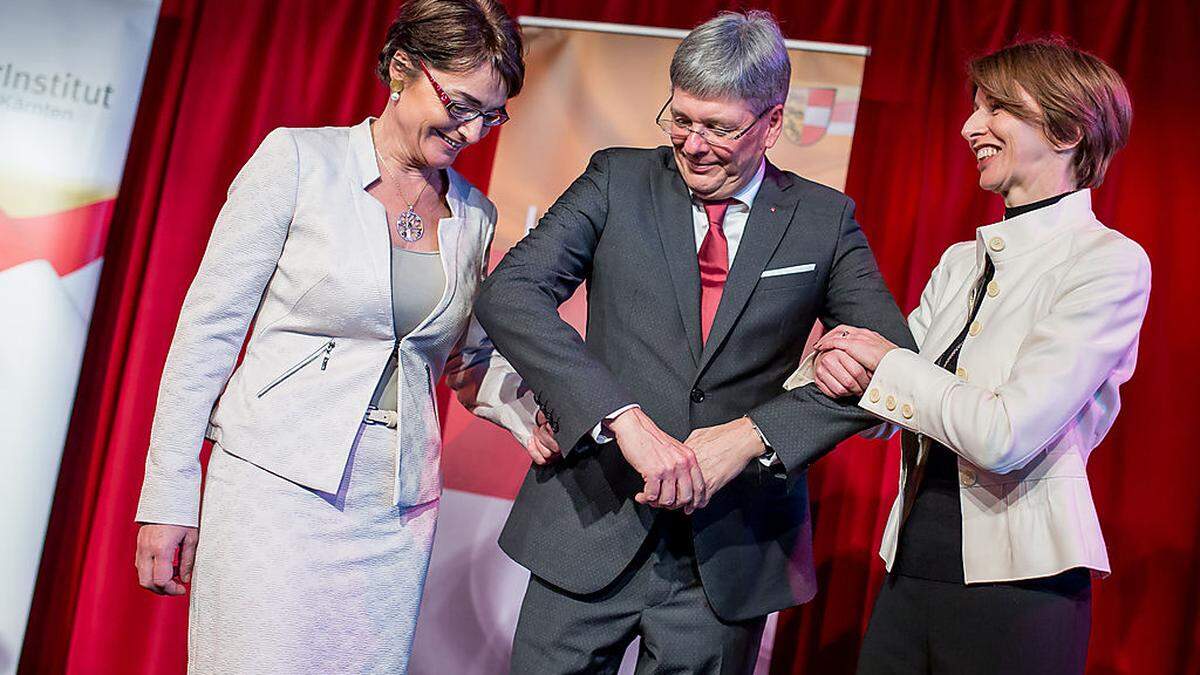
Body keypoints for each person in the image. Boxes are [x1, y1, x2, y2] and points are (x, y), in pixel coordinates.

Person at [473, 11, 915, 674]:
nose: (693, 143)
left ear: (771, 122)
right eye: (680, 119)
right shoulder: (616, 180)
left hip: (726, 557)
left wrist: (752, 434)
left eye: (719, 127)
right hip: (591, 525)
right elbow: (511, 293)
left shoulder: (824, 221)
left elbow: (895, 367)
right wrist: (615, 414)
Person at [132, 1, 554, 672]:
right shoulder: (299, 161)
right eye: (463, 104)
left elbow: (465, 361)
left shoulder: (474, 215)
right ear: (401, 69)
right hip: (274, 486)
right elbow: (206, 334)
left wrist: (535, 419)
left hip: (393, 513)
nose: (474, 131)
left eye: (492, 114)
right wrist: (168, 495)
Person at [795, 39, 1148, 674]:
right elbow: (890, 407)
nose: (969, 127)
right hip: (910, 575)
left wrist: (885, 365)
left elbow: (1004, 434)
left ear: (1067, 129)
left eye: (997, 108)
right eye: (974, 107)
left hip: (1020, 594)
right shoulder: (962, 261)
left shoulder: (1107, 262)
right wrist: (835, 362)